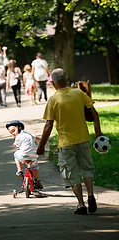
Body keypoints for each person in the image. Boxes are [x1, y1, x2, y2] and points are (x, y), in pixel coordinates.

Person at [37, 68, 103, 215]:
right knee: (87, 168)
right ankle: (91, 195)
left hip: (66, 143)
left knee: (71, 174)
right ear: (67, 80)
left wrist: (41, 146)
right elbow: (94, 113)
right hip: (83, 139)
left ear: (53, 84)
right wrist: (98, 132)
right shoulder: (79, 93)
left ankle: (81, 205)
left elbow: (48, 125)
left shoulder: (53, 100)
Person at [6, 120, 43, 190]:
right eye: (11, 133)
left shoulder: (18, 137)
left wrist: (15, 145)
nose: (13, 134)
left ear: (19, 128)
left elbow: (16, 145)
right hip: (33, 155)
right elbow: (38, 139)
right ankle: (37, 180)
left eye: (13, 131)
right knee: (35, 166)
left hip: (23, 156)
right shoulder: (29, 135)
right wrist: (40, 146)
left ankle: (20, 170)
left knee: (16, 154)